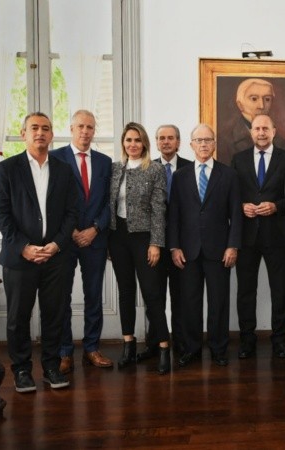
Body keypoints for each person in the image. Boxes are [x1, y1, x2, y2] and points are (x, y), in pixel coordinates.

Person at [0, 112, 78, 392]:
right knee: (19, 317)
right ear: (23, 133)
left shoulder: (64, 169)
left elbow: (72, 212)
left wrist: (56, 245)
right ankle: (21, 370)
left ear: (52, 135)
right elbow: (0, 214)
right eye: (35, 128)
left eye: (46, 128)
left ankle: (51, 367)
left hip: (56, 257)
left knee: (54, 314)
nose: (40, 133)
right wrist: (24, 247)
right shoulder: (7, 168)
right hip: (20, 258)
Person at [167, 124, 242, 368]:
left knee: (219, 302)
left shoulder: (228, 174)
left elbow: (236, 215)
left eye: (208, 140)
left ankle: (219, 348)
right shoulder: (180, 176)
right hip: (187, 250)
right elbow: (174, 215)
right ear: (190, 144)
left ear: (214, 144)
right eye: (198, 140)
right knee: (189, 301)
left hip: (219, 250)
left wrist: (233, 246)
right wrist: (174, 247)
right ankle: (191, 348)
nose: (203, 144)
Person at [49, 110, 114, 374]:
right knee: (62, 297)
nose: (85, 131)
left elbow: (111, 201)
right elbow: (52, 199)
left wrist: (96, 228)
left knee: (94, 296)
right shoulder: (55, 158)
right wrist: (72, 230)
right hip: (65, 240)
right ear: (71, 128)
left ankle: (91, 348)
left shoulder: (105, 162)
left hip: (95, 240)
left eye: (90, 127)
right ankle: (65, 351)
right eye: (80, 126)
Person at [108, 122, 171, 374]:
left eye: (137, 140)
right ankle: (128, 345)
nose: (132, 144)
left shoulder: (154, 169)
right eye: (128, 140)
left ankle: (164, 347)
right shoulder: (114, 170)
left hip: (144, 238)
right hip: (117, 237)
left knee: (151, 292)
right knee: (125, 291)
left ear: (144, 143)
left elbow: (159, 209)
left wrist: (156, 242)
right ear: (123, 143)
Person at [231, 114, 285, 360]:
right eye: (256, 128)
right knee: (246, 291)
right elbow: (231, 195)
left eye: (265, 128)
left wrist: (276, 206)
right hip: (247, 236)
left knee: (280, 290)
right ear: (251, 132)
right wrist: (241, 206)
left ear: (274, 131)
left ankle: (279, 339)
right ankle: (247, 339)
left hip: (277, 235)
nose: (261, 132)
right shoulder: (238, 160)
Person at [136, 124, 193, 363]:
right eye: (161, 138)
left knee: (181, 297)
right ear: (156, 143)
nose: (166, 142)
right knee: (154, 295)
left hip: (183, 243)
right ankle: (154, 342)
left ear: (178, 142)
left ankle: (181, 343)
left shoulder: (192, 168)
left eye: (171, 138)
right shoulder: (145, 168)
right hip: (154, 243)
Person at [216, 78, 285, 164]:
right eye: (254, 99)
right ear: (240, 105)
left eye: (267, 99)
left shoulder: (280, 142)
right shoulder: (225, 140)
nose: (261, 106)